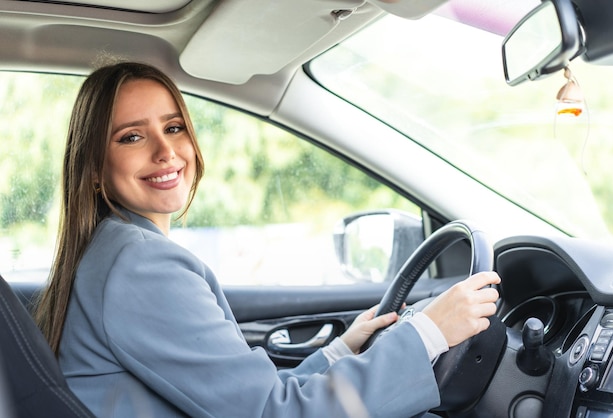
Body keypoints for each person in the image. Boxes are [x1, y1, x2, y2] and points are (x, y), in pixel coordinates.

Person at [34, 61, 501, 418]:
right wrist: (429, 332)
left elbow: (247, 397)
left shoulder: (113, 251)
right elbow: (274, 412)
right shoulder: (141, 266)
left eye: (174, 127)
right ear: (94, 167)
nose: (166, 151)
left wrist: (342, 349)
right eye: (132, 137)